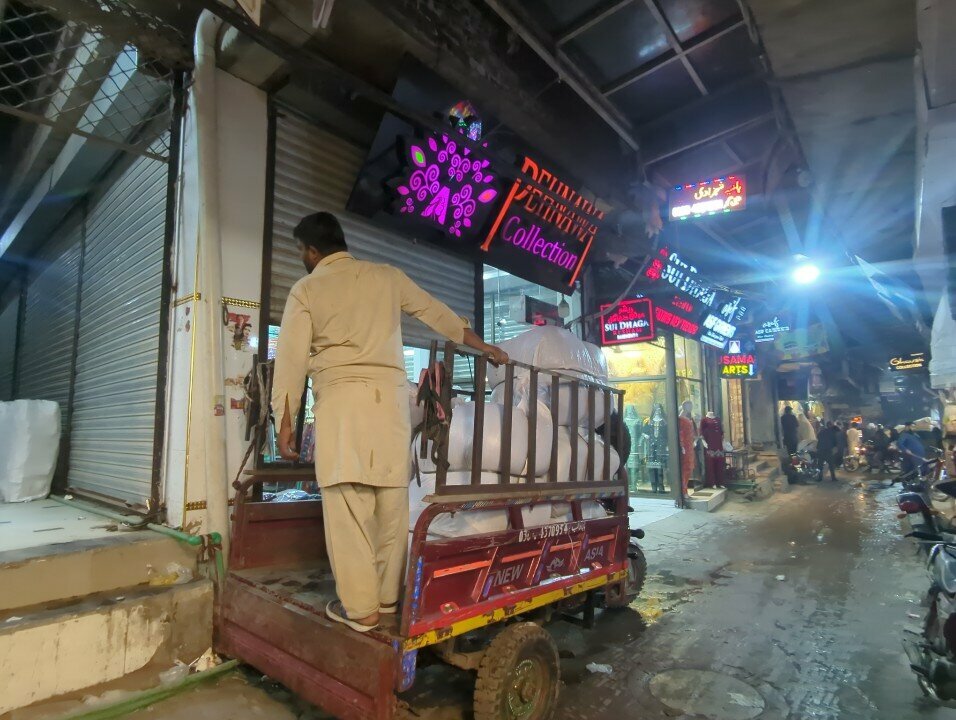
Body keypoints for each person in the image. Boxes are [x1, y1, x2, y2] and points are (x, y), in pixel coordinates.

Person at [271, 211, 508, 633]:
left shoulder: (306, 289)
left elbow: (289, 361)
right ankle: (385, 599)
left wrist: (283, 424)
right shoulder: (386, 276)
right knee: (390, 502)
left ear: (310, 250)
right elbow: (438, 313)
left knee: (348, 502)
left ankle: (360, 609)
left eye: (300, 252)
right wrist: (483, 346)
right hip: (391, 404)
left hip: (343, 403)